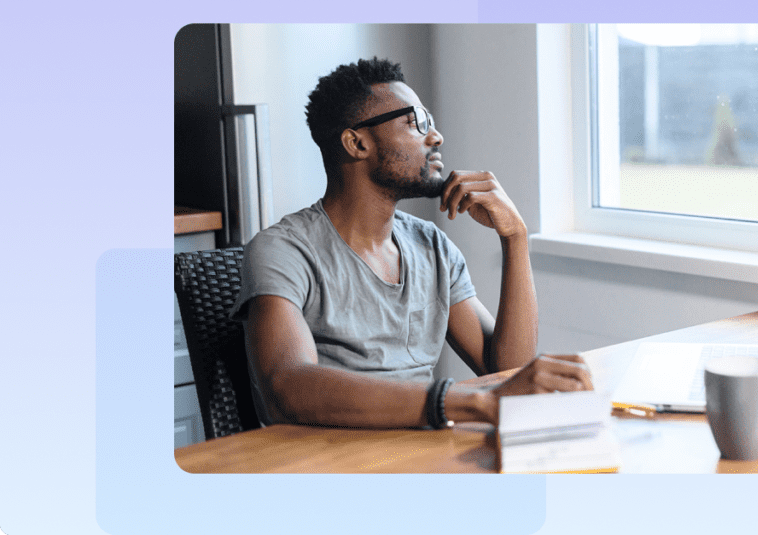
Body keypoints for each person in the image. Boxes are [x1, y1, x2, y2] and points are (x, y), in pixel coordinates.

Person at [229, 57, 593, 430]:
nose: (435, 137)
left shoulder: (432, 246)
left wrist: (515, 237)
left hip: (422, 453)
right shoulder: (283, 251)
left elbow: (505, 370)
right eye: (416, 122)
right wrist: (468, 402)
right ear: (356, 143)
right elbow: (287, 389)